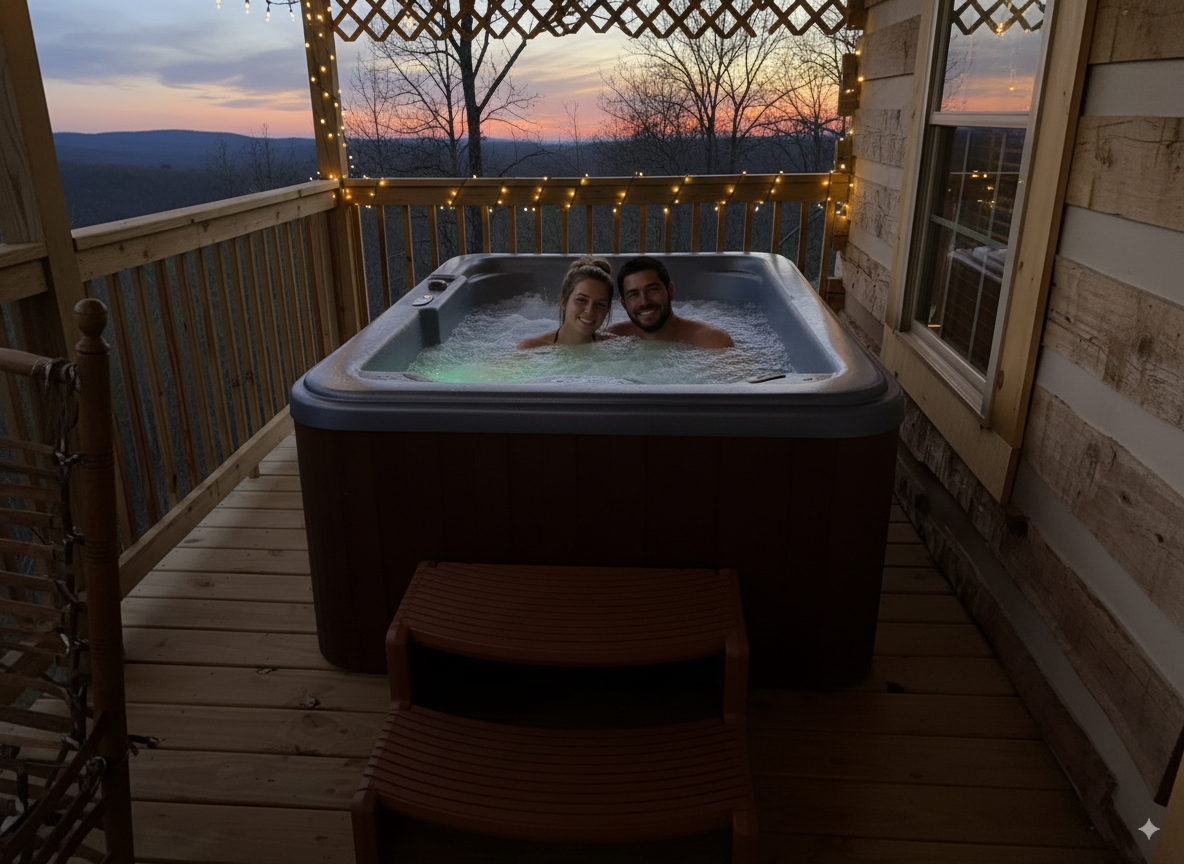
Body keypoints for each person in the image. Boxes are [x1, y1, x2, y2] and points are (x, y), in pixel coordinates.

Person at [607, 256, 734, 348]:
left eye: (652, 290)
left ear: (670, 291)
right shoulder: (612, 338)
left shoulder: (711, 340)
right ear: (623, 304)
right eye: (634, 295)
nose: (644, 302)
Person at [517, 257, 617, 349]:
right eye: (581, 300)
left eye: (600, 304)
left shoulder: (613, 345)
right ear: (564, 302)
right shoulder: (531, 349)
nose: (590, 311)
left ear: (607, 310)